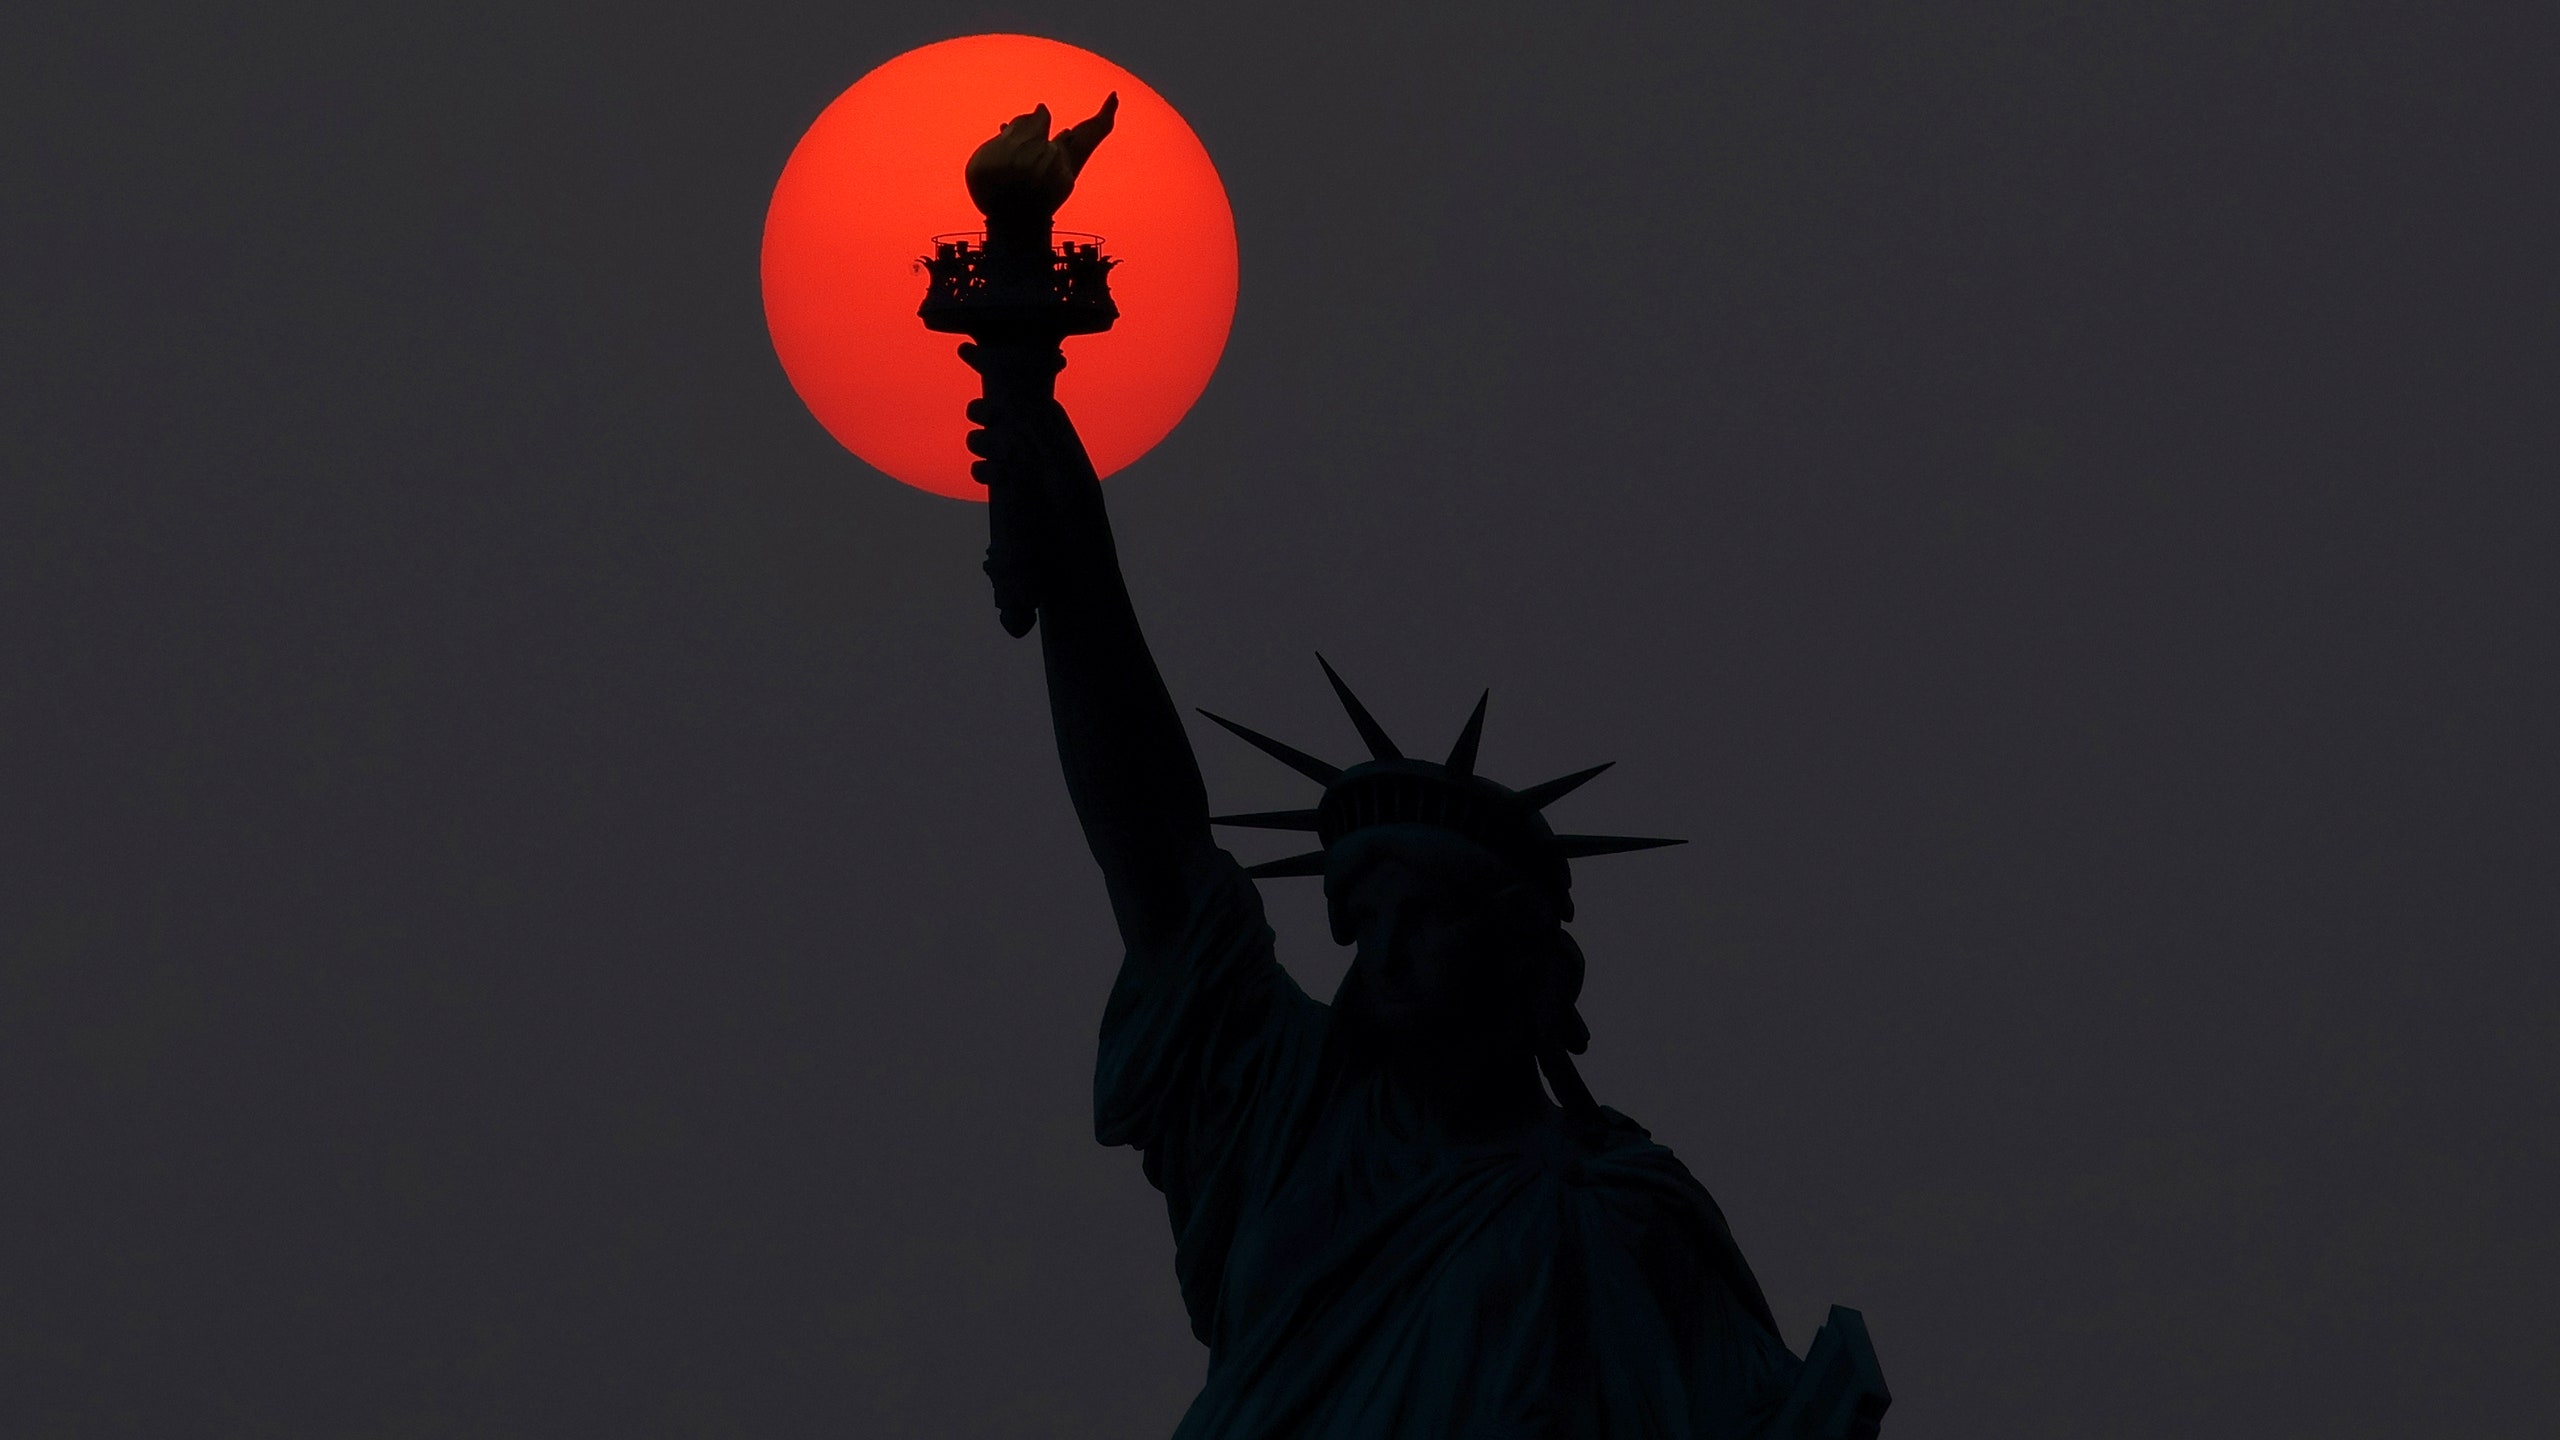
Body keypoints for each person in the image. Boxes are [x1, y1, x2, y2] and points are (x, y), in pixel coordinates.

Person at [955, 345, 1889, 1438]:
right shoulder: (1283, 1107)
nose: (1381, 953)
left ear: (1522, 963)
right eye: (1362, 924)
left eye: (1422, 919)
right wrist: (1077, 561)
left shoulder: (1620, 1216)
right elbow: (1153, 844)